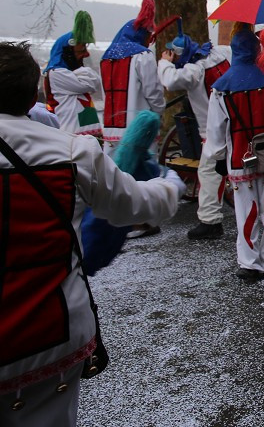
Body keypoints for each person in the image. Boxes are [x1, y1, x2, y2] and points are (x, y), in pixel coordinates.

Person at [0, 41, 183, 427]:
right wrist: (171, 183)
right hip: (51, 329)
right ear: (31, 93)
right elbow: (132, 206)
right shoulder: (72, 152)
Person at [204, 24, 264, 282]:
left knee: (246, 212)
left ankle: (249, 263)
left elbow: (215, 129)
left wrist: (217, 158)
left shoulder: (221, 87)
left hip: (239, 158)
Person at [158, 21, 232, 241]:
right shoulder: (220, 53)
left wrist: (164, 62)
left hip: (213, 129)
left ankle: (210, 221)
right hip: (235, 121)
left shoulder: (193, 70)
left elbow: (171, 81)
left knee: (209, 173)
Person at [100, 0, 165, 152]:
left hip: (111, 128)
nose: (149, 42)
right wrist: (159, 110)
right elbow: (153, 91)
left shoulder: (105, 58)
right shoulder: (143, 56)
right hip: (139, 128)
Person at [42, 11, 102, 138]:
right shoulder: (56, 73)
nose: (85, 55)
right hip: (70, 136)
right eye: (81, 51)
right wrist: (82, 71)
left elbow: (96, 80)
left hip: (86, 136)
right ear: (67, 53)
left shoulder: (71, 73)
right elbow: (90, 83)